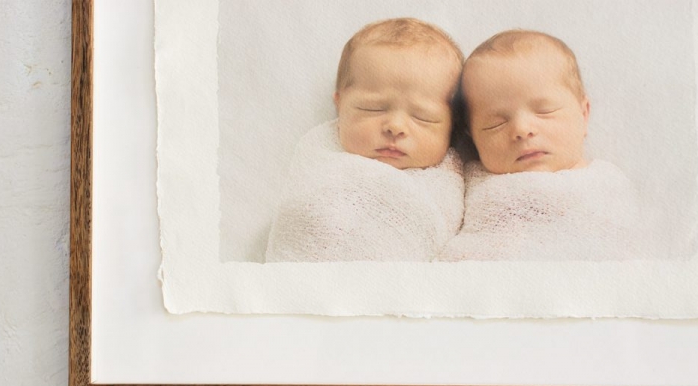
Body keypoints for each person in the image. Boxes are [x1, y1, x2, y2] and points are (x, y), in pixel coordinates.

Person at [266, 18, 465, 262]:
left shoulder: (450, 181)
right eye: (372, 109)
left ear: (453, 124)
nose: (396, 127)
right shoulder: (321, 156)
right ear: (339, 104)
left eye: (422, 117)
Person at [440, 30, 641, 261]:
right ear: (472, 137)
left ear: (583, 115)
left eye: (544, 111)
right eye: (496, 124)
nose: (522, 130)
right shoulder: (462, 183)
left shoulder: (605, 185)